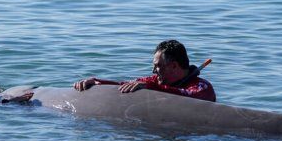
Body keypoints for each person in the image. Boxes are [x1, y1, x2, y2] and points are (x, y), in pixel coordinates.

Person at [73, 39, 216, 102]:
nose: (154, 71)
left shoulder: (202, 87)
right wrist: (97, 82)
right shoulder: (154, 82)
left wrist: (152, 88)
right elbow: (123, 84)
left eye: (158, 66)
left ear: (174, 66)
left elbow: (189, 97)